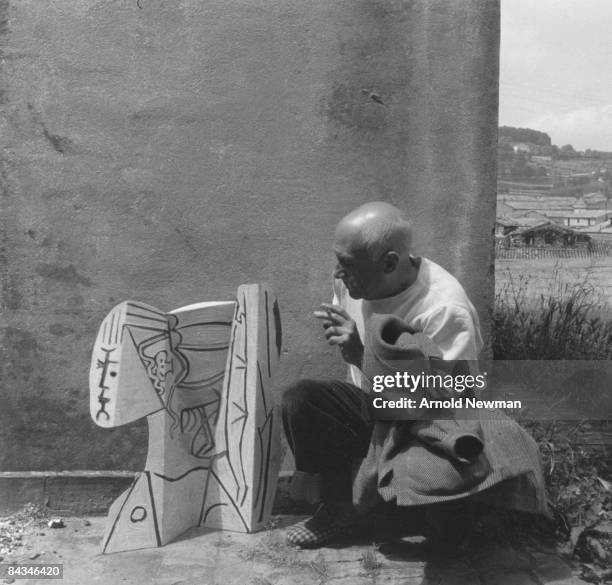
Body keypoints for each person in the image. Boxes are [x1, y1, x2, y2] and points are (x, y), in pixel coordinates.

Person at [282, 201, 485, 548]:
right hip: (376, 412)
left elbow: (448, 400)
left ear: (390, 262)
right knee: (302, 399)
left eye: (347, 265)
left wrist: (362, 356)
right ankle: (337, 508)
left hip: (425, 428)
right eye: (338, 260)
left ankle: (412, 507)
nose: (337, 275)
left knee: (450, 537)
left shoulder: (443, 308)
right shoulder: (353, 282)